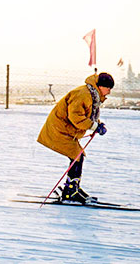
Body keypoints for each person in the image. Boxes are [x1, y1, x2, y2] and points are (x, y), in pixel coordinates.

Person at [37, 72, 115, 204]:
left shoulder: (91, 94)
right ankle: (70, 191)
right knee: (77, 157)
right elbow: (76, 117)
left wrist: (98, 124)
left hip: (64, 130)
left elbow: (87, 114)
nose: (109, 92)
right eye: (108, 89)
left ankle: (72, 188)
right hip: (59, 130)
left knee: (78, 156)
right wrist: (94, 127)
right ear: (101, 86)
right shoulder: (83, 94)